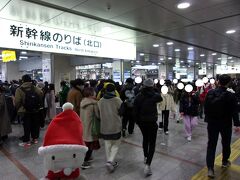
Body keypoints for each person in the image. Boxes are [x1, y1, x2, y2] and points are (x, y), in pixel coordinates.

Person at [204, 74, 240, 178]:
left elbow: (206, 109)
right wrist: (237, 124)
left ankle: (210, 168)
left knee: (211, 145)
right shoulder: (231, 95)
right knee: (226, 143)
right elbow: (234, 111)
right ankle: (224, 161)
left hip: (212, 123)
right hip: (226, 123)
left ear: (218, 82)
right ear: (228, 83)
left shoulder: (210, 93)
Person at [134, 78, 162, 177]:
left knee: (145, 139)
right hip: (152, 122)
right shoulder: (154, 96)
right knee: (152, 143)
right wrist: (154, 89)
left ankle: (146, 156)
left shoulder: (138, 96)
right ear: (152, 86)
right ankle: (148, 164)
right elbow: (160, 98)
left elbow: (135, 110)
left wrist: (137, 122)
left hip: (142, 122)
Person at [98, 83, 122, 173]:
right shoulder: (117, 100)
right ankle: (110, 161)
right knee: (116, 145)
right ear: (114, 90)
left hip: (104, 126)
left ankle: (110, 161)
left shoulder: (100, 101)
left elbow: (98, 114)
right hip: (115, 125)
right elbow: (121, 112)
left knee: (107, 144)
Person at [15, 74, 43, 147]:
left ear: (23, 80)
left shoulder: (19, 89)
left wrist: (18, 108)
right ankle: (35, 139)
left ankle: (27, 141)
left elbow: (17, 101)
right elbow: (41, 94)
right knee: (35, 124)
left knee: (26, 125)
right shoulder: (34, 88)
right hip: (35, 110)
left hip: (25, 111)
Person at [80, 87, 100, 169]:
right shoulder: (93, 104)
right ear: (91, 94)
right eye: (94, 92)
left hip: (84, 125)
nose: (95, 93)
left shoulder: (83, 102)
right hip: (91, 126)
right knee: (90, 144)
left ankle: (86, 158)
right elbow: (98, 116)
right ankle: (84, 161)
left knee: (86, 142)